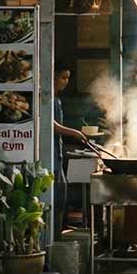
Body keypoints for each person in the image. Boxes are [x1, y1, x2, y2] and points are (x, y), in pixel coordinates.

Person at [51, 66, 93, 226]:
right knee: (57, 193)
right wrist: (75, 133)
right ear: (53, 76)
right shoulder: (47, 99)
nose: (66, 82)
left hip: (57, 152)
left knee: (61, 193)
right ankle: (53, 235)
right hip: (51, 153)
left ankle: (58, 231)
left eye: (68, 78)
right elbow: (51, 125)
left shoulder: (57, 99)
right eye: (63, 77)